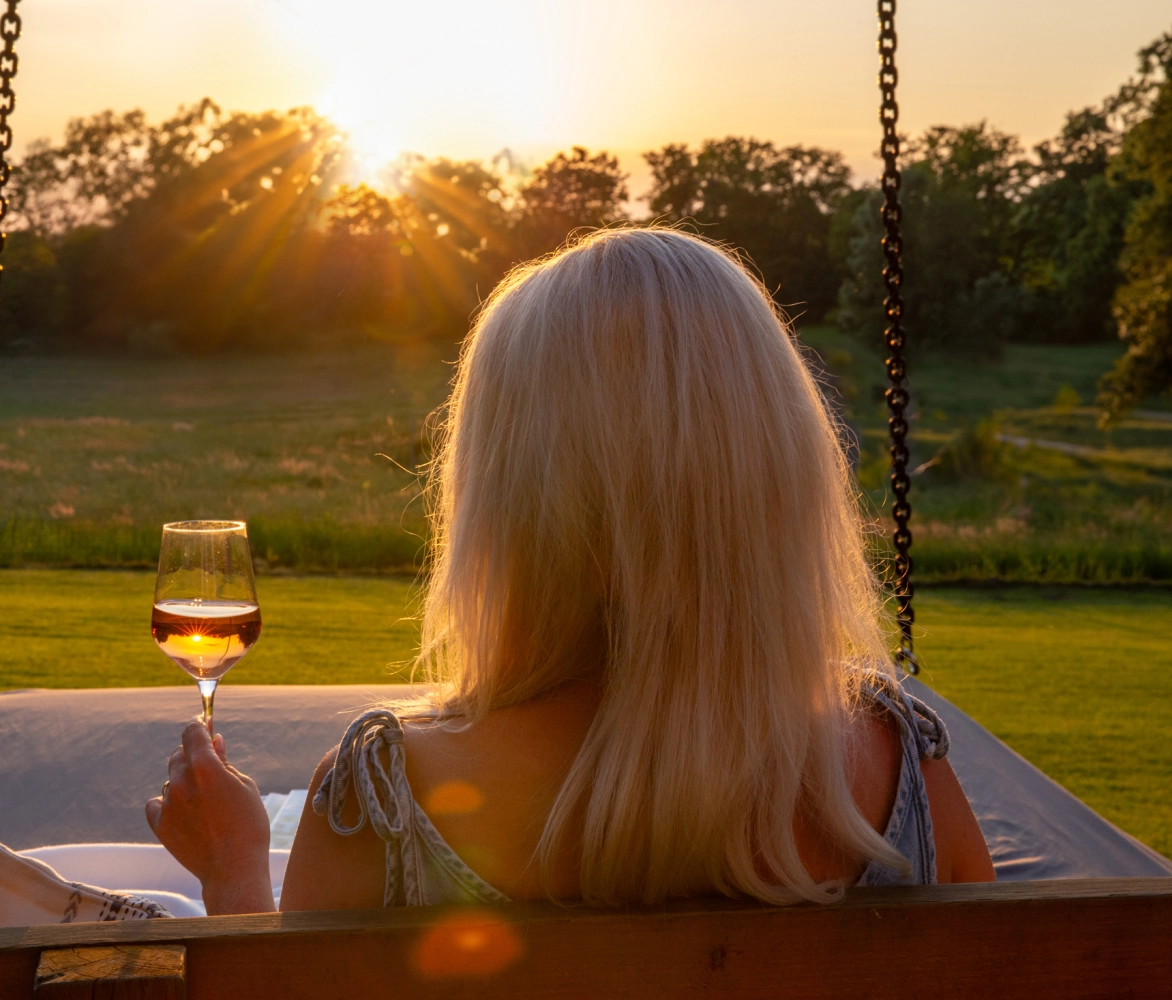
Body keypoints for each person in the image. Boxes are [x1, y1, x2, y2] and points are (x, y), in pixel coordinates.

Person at [144, 227, 996, 915]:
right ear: (780, 470)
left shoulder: (388, 802)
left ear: (506, 497)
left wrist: (234, 873)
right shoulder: (901, 772)